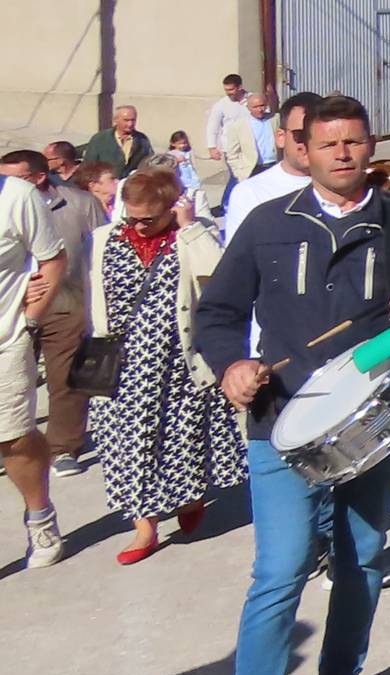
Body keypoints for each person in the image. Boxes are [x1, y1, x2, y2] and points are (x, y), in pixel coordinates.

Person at [194, 94, 390, 675]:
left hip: (373, 417)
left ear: (371, 146)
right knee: (279, 573)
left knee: (361, 557)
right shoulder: (267, 223)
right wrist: (231, 366)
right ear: (302, 149)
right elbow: (218, 314)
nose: (343, 153)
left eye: (354, 141)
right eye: (328, 143)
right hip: (282, 419)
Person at [88, 170, 245, 564]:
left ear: (173, 207)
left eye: (149, 218)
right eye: (132, 216)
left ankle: (189, 497)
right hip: (121, 366)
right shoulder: (105, 239)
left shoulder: (188, 239)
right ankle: (145, 525)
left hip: (177, 365)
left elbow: (219, 275)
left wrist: (189, 227)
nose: (139, 225)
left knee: (182, 438)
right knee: (129, 445)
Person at [0, 148, 105, 476]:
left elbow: (102, 249)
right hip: (14, 306)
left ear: (39, 177)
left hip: (65, 301)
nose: (7, 183)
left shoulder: (79, 204)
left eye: (16, 177)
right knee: (16, 382)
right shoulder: (9, 200)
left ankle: (63, 447)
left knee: (64, 378)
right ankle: (11, 444)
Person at [1, 169, 68, 570]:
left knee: (13, 439)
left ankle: (40, 515)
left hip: (6, 340)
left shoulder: (17, 196)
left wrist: (30, 320)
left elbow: (53, 260)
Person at [223, 93, 320, 244]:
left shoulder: (348, 189)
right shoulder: (249, 193)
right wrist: (240, 173)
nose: (308, 143)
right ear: (281, 137)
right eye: (300, 135)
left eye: (319, 137)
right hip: (253, 169)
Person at [83, 104, 156, 178]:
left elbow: (150, 163)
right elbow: (89, 166)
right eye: (126, 120)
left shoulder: (142, 140)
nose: (130, 124)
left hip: (131, 183)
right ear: (115, 120)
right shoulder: (100, 139)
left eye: (133, 120)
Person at [202, 74, 249, 171]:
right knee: (236, 174)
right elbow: (212, 127)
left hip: (251, 145)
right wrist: (212, 148)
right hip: (231, 148)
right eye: (226, 90)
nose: (228, 93)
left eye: (231, 90)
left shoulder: (252, 100)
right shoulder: (221, 105)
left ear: (240, 87)